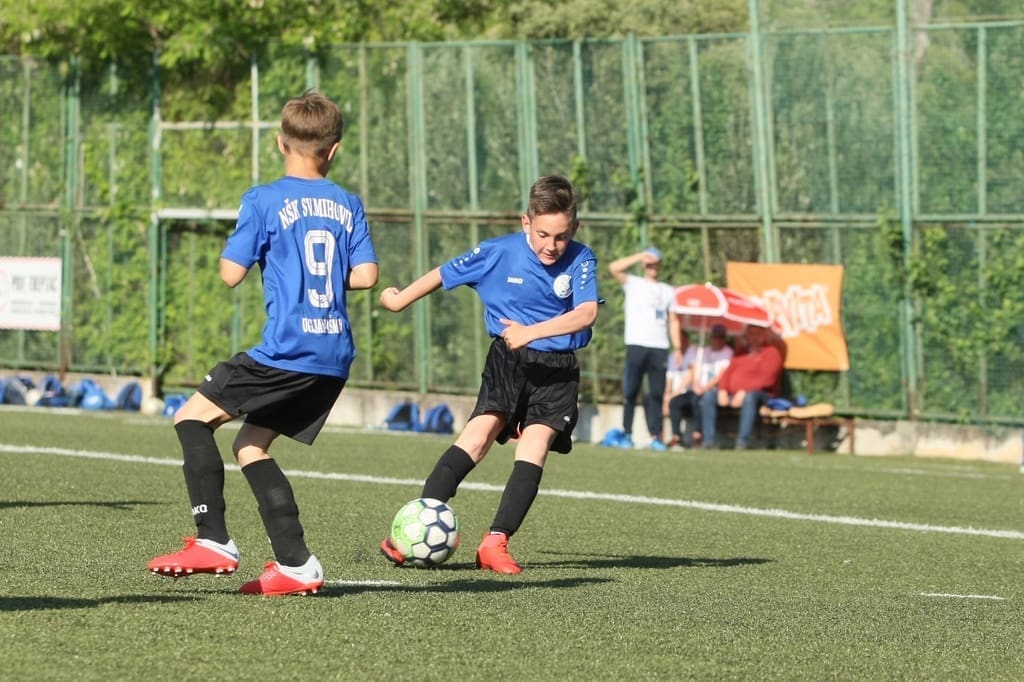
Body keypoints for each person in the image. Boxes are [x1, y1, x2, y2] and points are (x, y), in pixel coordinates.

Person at [147, 91, 379, 596]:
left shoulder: (263, 199)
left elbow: (230, 274)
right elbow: (366, 275)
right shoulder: (348, 203)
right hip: (333, 355)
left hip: (288, 349)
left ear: (280, 143)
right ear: (334, 150)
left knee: (190, 418)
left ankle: (213, 539)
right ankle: (297, 565)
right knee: (250, 445)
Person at [377, 175, 598, 575]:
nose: (551, 245)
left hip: (558, 370)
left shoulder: (582, 259)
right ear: (526, 222)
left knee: (534, 446)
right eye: (543, 234)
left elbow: (586, 313)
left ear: (575, 229)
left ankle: (495, 543)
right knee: (477, 439)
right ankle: (412, 529)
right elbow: (444, 272)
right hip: (508, 362)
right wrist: (398, 300)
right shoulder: (498, 252)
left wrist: (531, 331)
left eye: (561, 237)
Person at [608, 246, 682, 451]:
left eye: (655, 264)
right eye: (649, 264)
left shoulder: (668, 290)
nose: (652, 267)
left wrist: (678, 348)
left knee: (657, 393)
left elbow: (673, 320)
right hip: (636, 344)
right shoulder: (634, 283)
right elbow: (614, 267)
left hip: (659, 346)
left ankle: (655, 436)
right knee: (631, 391)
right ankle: (627, 433)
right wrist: (641, 255)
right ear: (643, 265)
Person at [699, 325, 782, 450]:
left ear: (764, 335)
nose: (753, 337)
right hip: (734, 393)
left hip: (762, 394)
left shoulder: (771, 353)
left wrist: (744, 391)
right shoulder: (740, 352)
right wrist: (722, 389)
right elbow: (727, 373)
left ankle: (743, 441)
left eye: (757, 334)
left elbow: (767, 380)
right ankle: (709, 440)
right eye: (751, 334)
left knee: (750, 397)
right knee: (709, 395)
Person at [684, 323, 735, 446]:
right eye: (715, 337)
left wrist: (705, 388)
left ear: (724, 339)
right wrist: (696, 384)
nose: (717, 340)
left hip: (717, 389)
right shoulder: (703, 352)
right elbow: (695, 369)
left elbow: (721, 375)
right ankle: (693, 433)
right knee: (689, 399)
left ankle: (708, 439)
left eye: (720, 337)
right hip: (700, 388)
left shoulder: (728, 352)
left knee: (707, 398)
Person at [663, 329, 697, 449]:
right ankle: (657, 437)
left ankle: (677, 436)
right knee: (653, 400)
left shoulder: (693, 353)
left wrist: (673, 395)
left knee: (675, 402)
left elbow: (691, 374)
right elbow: (669, 378)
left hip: (689, 392)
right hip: (675, 394)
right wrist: (667, 395)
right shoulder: (672, 357)